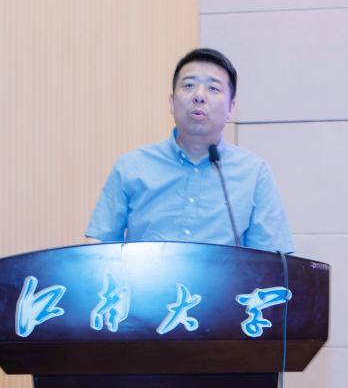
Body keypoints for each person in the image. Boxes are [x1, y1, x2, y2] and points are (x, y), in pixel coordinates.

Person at [86, 48, 294, 252]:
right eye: (189, 85)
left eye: (213, 88)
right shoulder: (131, 166)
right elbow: (97, 248)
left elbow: (274, 263)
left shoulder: (254, 174)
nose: (199, 96)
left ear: (231, 108)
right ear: (172, 102)